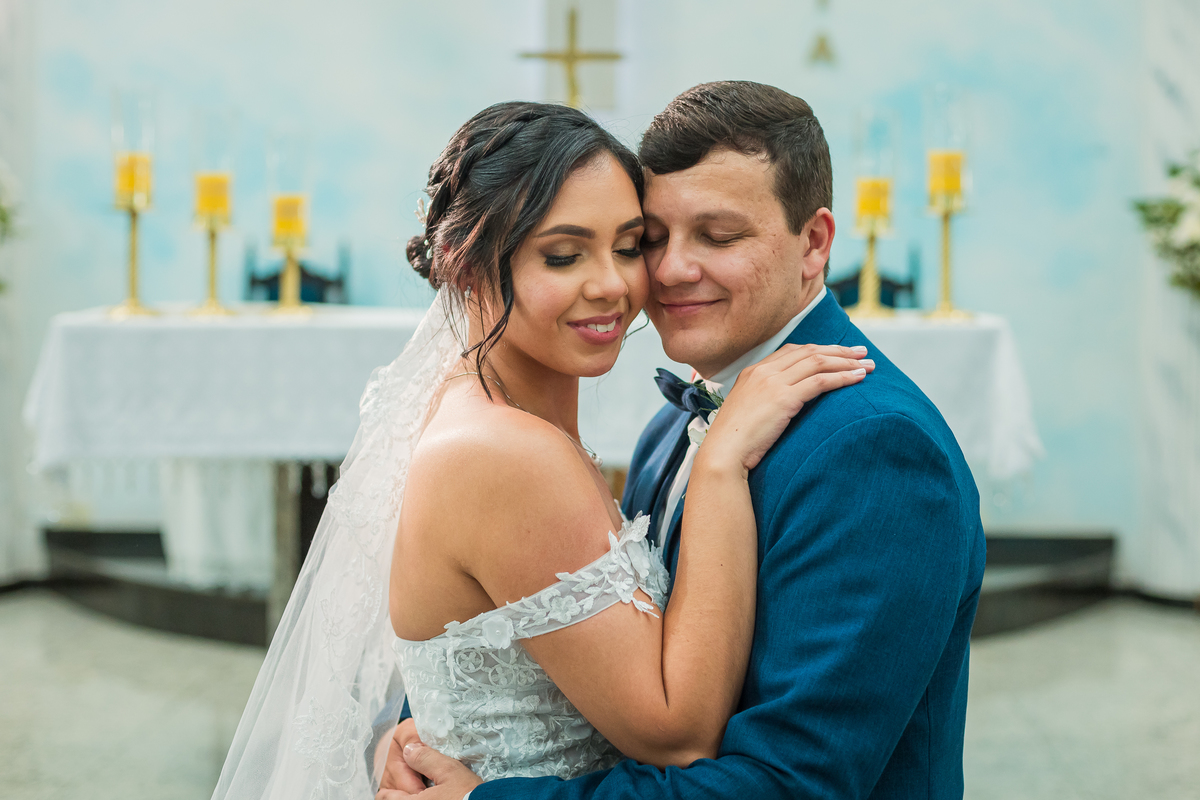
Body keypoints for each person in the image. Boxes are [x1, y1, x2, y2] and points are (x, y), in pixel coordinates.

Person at [211, 100, 869, 800]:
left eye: (628, 246)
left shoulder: (492, 417)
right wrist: (719, 467)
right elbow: (678, 735)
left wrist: (424, 726)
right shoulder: (506, 453)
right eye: (563, 255)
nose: (611, 284)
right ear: (467, 267)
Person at [380, 82, 987, 800]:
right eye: (654, 239)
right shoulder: (673, 423)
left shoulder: (874, 451)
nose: (667, 271)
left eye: (718, 237)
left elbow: (793, 782)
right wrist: (435, 724)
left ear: (815, 243)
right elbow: (543, 633)